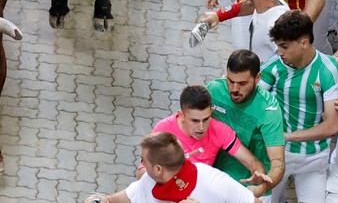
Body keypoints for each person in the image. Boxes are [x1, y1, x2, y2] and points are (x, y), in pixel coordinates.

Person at [260, 10, 338, 203]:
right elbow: (251, 98)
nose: (279, 52)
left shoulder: (329, 70)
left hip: (314, 158)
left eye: (284, 46)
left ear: (304, 43)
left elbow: (332, 126)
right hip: (277, 154)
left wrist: (288, 136)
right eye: (278, 46)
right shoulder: (273, 66)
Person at [138, 85, 269, 188]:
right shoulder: (164, 130)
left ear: (211, 112)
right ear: (182, 115)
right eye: (194, 121)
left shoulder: (220, 130)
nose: (201, 127)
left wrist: (258, 172)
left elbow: (252, 162)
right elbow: (141, 173)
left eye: (206, 119)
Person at [84, 132, 260, 203]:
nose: (141, 165)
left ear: (159, 168)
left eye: (144, 161)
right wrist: (104, 200)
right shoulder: (150, 179)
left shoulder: (214, 182)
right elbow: (130, 196)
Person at [207, 50, 286, 201]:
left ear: (257, 78)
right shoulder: (214, 89)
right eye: (230, 81)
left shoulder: (269, 109)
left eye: (242, 83)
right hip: (216, 180)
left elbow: (278, 164)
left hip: (250, 188)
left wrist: (261, 188)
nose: (234, 89)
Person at [200, 0, 289, 62]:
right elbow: (249, 5)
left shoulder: (274, 24)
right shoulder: (270, 1)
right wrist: (219, 15)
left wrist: (252, 71)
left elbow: (287, 64)